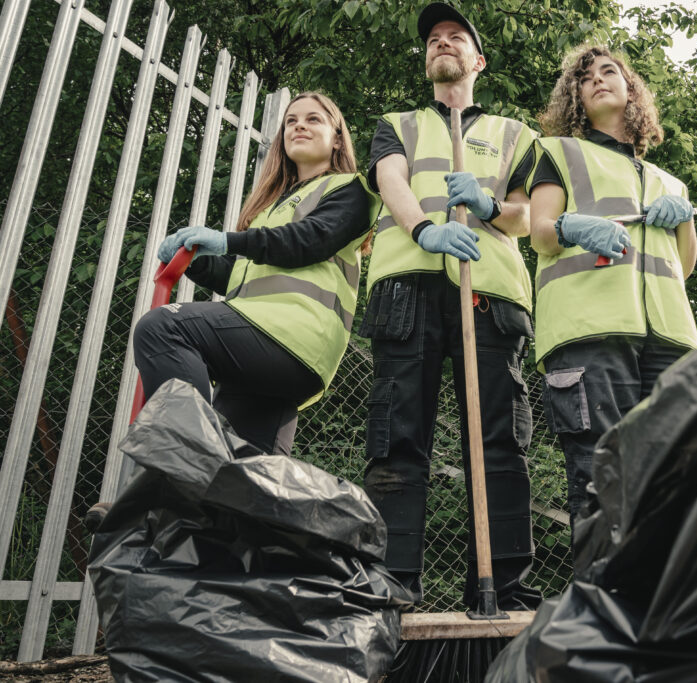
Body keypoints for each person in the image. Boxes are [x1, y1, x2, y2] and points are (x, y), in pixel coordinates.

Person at [358, 3, 541, 610]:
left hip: (487, 295)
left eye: (455, 37)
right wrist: (423, 230)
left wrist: (490, 209)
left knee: (498, 442)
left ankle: (505, 589)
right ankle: (394, 587)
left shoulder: (518, 136)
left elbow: (528, 215)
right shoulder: (398, 123)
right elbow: (392, 182)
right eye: (434, 39)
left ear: (477, 60)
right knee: (397, 439)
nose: (442, 43)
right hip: (408, 289)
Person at [133, 91, 380, 456]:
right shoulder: (268, 210)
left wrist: (228, 240)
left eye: (314, 119)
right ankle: (187, 505)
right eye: (291, 121)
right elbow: (239, 274)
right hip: (262, 351)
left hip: (292, 337)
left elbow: (308, 242)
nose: (299, 126)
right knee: (249, 471)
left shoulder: (351, 190)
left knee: (164, 327)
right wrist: (195, 259)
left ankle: (187, 463)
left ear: (338, 138)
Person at [527, 45, 697, 534]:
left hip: (669, 343)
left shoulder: (672, 183)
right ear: (576, 97)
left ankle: (660, 604)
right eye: (586, 78)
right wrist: (574, 226)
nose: (598, 80)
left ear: (632, 91)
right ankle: (603, 603)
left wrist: (684, 221)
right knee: (601, 470)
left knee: (671, 475)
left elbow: (681, 268)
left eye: (610, 72)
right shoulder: (557, 152)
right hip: (590, 334)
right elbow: (539, 232)